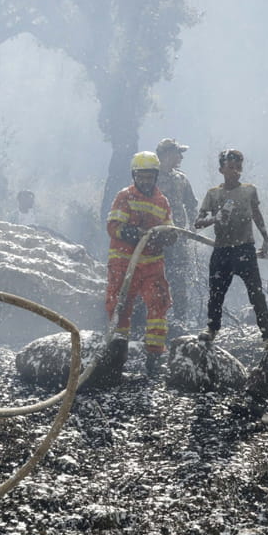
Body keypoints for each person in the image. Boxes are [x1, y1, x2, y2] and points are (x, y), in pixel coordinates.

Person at [193, 149, 268, 347]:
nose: (235, 171)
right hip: (222, 250)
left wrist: (265, 238)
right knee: (216, 292)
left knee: (256, 293)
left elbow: (256, 214)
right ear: (221, 169)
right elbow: (198, 222)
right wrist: (216, 218)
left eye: (238, 167)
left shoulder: (248, 190)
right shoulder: (214, 194)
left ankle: (267, 334)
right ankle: (212, 328)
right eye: (230, 167)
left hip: (245, 249)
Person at [105, 152, 174, 377]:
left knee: (159, 303)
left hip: (152, 264)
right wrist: (134, 232)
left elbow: (169, 230)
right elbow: (113, 226)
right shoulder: (125, 197)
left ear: (155, 177)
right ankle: (117, 354)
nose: (145, 181)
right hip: (124, 262)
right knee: (120, 305)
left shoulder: (162, 201)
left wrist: (165, 237)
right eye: (141, 177)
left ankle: (154, 356)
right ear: (135, 176)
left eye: (149, 177)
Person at [156, 138, 200, 325]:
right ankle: (157, 317)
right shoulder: (151, 178)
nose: (180, 157)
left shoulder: (181, 178)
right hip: (156, 239)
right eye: (177, 153)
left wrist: (194, 225)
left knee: (180, 278)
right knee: (157, 277)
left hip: (179, 238)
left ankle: (180, 319)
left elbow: (191, 204)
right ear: (166, 155)